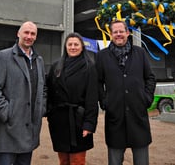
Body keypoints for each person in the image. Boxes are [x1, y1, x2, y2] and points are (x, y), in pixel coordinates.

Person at [0, 21, 46, 165]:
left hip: (30, 129)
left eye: (33, 34)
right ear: (18, 33)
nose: (29, 36)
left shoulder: (39, 61)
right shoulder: (3, 57)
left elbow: (43, 89)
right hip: (9, 129)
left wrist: (40, 109)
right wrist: (7, 112)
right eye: (26, 32)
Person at [96, 20, 156, 165]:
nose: (118, 35)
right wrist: (105, 102)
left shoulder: (140, 53)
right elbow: (97, 82)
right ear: (110, 34)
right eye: (115, 32)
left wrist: (146, 98)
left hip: (138, 115)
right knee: (115, 161)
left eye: (121, 31)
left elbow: (150, 78)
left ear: (127, 33)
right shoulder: (102, 56)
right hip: (115, 117)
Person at [46, 32, 99, 165]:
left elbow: (92, 98)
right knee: (63, 160)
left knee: (77, 160)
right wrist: (49, 112)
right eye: (70, 44)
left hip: (79, 121)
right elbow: (48, 91)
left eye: (76, 44)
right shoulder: (56, 66)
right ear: (65, 46)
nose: (73, 47)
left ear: (82, 47)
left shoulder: (89, 67)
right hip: (59, 121)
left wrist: (89, 124)